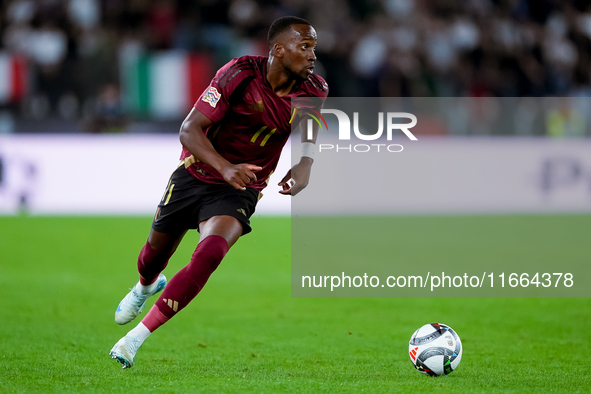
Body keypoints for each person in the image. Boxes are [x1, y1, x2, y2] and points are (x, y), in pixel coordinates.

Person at [109, 16, 328, 369]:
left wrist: (306, 164)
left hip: (242, 188)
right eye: (305, 47)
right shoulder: (239, 74)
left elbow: (310, 128)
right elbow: (189, 129)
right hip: (197, 172)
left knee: (210, 253)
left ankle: (135, 339)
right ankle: (145, 286)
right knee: (152, 257)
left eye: (314, 47)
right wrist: (225, 167)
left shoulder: (314, 89)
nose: (312, 55)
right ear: (278, 50)